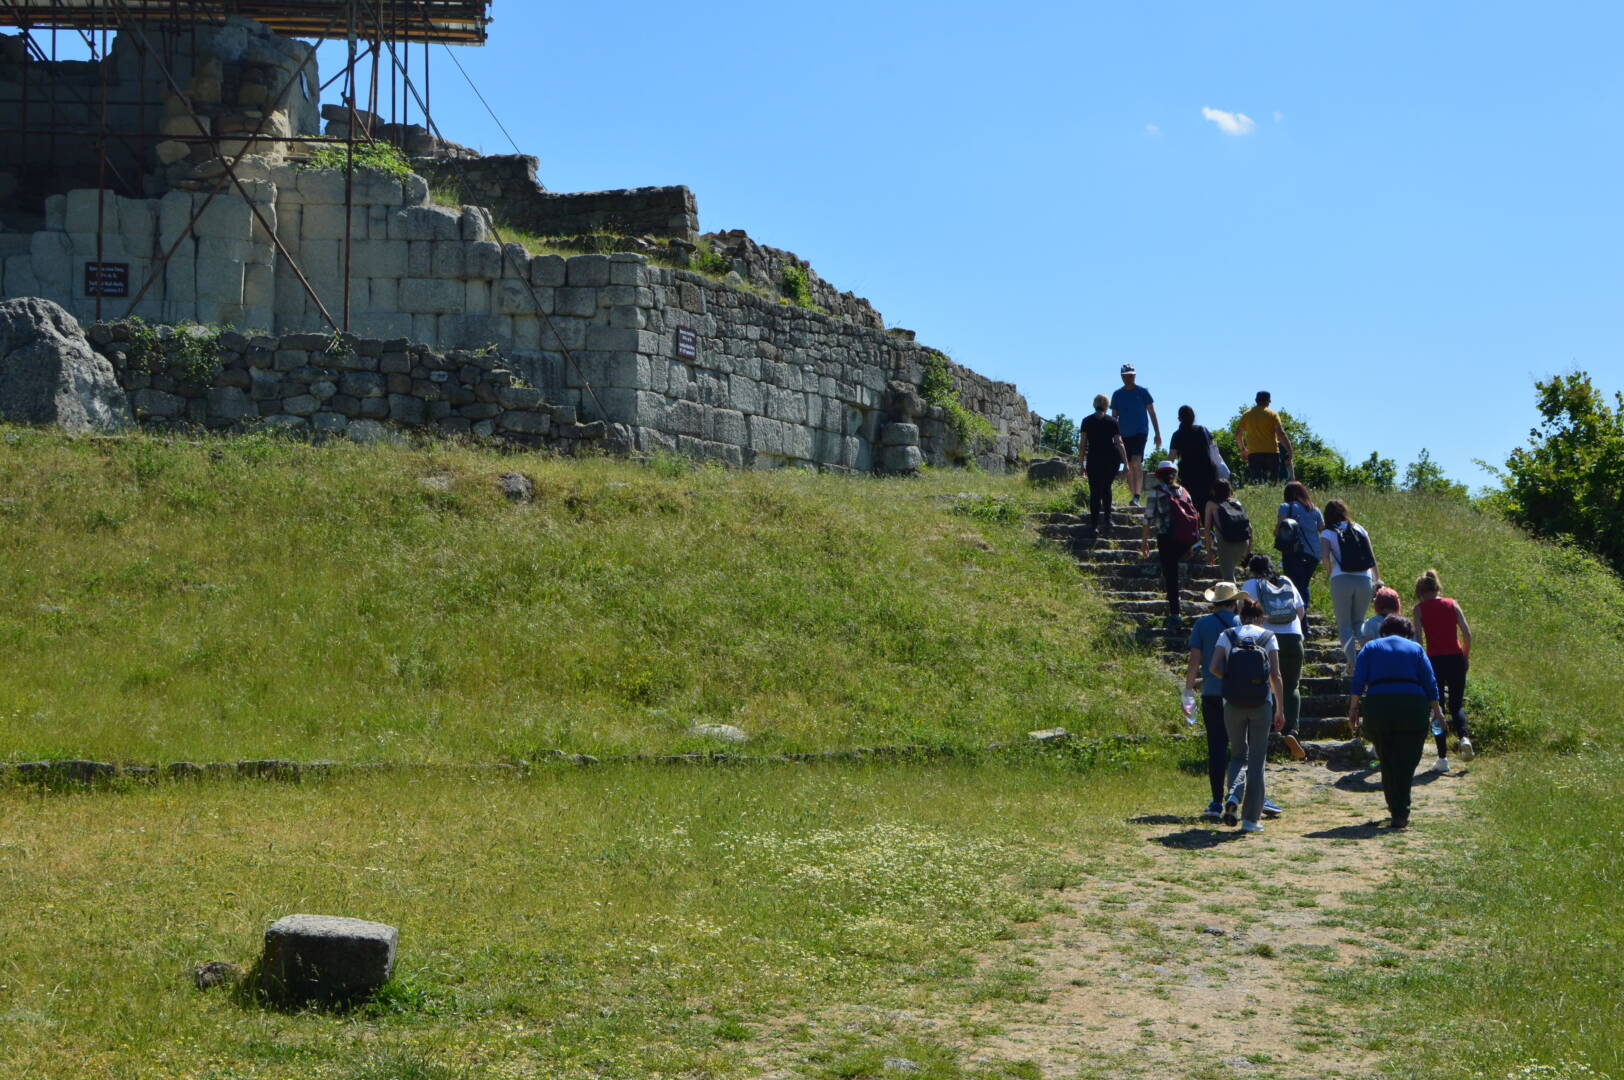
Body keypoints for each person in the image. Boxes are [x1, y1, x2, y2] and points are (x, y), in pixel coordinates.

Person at [1349, 616, 1447, 829]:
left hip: (1379, 704)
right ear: (1408, 632)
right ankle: (1401, 809)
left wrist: (1353, 708)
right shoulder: (1416, 649)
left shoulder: (1371, 647)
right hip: (1413, 705)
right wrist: (1438, 712)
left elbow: (1358, 679)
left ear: (1383, 631)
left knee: (1387, 758)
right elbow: (1430, 682)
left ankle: (1396, 807)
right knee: (1407, 760)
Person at [1209, 597, 1286, 833]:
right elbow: (1275, 675)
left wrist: (1230, 681)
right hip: (1261, 703)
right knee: (1257, 759)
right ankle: (1250, 820)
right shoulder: (1268, 636)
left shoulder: (1227, 635)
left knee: (1237, 755)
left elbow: (1213, 667)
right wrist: (1280, 709)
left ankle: (1233, 796)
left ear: (1240, 616)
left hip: (1232, 703)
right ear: (1261, 617)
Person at [1241, 553, 1307, 762]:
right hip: (1294, 638)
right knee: (1292, 685)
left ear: (1252, 569)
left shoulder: (1251, 584)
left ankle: (1270, 725)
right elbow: (1301, 611)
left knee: (1265, 682)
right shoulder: (1286, 581)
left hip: (1266, 638)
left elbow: (1243, 613)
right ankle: (1292, 730)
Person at [1186, 581, 1241, 821]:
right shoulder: (1242, 624)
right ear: (1234, 602)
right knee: (1241, 749)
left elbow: (1194, 661)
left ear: (1215, 602)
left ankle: (1216, 800)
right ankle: (1237, 796)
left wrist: (1188, 692)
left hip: (1212, 692)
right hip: (1240, 695)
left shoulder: (1202, 624)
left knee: (1216, 748)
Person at [1414, 568, 1476, 771]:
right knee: (1456, 704)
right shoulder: (1452, 603)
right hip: (1456, 659)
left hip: (1434, 662)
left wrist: (1421, 665)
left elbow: (1418, 641)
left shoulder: (1419, 609)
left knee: (1437, 708)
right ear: (1437, 587)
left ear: (1420, 591)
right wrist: (1464, 656)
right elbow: (1467, 634)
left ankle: (1442, 758)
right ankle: (1464, 738)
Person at [1320, 498, 1380, 670]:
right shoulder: (1359, 528)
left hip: (1341, 579)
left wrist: (1330, 572)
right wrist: (1377, 580)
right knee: (1359, 622)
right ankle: (1373, 658)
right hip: (1364, 579)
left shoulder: (1327, 532)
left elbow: (1325, 556)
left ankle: (1353, 665)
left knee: (1344, 625)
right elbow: (1371, 557)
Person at [1141, 460, 1199, 630]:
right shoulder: (1184, 492)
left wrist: (1145, 542)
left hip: (1166, 537)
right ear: (1174, 474)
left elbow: (1147, 518)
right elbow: (1193, 517)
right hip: (1184, 539)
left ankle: (1175, 614)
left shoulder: (1156, 492)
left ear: (1158, 476)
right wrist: (1191, 544)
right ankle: (1177, 607)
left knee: (1171, 575)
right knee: (1176, 573)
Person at [1110, 364, 1160, 506]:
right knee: (1128, 464)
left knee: (1136, 461)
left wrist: (1157, 433)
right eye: (1126, 376)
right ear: (1122, 377)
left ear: (1135, 375)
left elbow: (1152, 412)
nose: (1129, 378)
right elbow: (1114, 417)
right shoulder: (1117, 394)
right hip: (1123, 433)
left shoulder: (1142, 392)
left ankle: (1137, 495)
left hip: (1140, 431)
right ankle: (1133, 497)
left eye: (1131, 375)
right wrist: (1113, 436)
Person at [1078, 394, 1128, 531]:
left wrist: (1081, 464)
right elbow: (1119, 443)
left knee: (1094, 491)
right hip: (1111, 458)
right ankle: (1108, 519)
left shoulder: (1086, 421)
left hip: (1094, 458)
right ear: (1107, 406)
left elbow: (1082, 445)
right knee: (1106, 487)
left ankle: (1094, 525)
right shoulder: (1113, 421)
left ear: (1094, 404)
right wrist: (1126, 463)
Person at [1275, 482, 1324, 612]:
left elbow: (1279, 530)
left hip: (1294, 552)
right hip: (1314, 553)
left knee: (1294, 585)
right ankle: (1304, 613)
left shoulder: (1285, 507)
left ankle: (1300, 616)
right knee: (1303, 584)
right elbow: (1322, 529)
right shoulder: (1314, 509)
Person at [1168, 405, 1218, 517]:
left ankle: (1195, 526)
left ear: (1179, 419)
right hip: (1207, 473)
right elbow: (1214, 450)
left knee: (1191, 506)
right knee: (1207, 504)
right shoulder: (1202, 430)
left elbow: (1172, 457)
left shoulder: (1177, 435)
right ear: (1193, 417)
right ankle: (1209, 527)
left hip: (1188, 475)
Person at [1234, 391, 1293, 486]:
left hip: (1254, 454)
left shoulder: (1247, 415)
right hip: (1272, 453)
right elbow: (1281, 434)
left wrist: (1243, 450)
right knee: (1273, 483)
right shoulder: (1272, 414)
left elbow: (1238, 434)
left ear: (1256, 400)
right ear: (1268, 401)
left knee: (1257, 483)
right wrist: (1289, 451)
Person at [1204, 478, 1252, 583]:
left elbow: (1207, 529)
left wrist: (1209, 551)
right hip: (1243, 542)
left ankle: (1233, 594)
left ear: (1214, 490)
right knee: (1230, 573)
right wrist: (1249, 548)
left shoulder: (1211, 504)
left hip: (1225, 543)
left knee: (1228, 577)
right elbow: (1249, 526)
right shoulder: (1236, 502)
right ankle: (1234, 592)